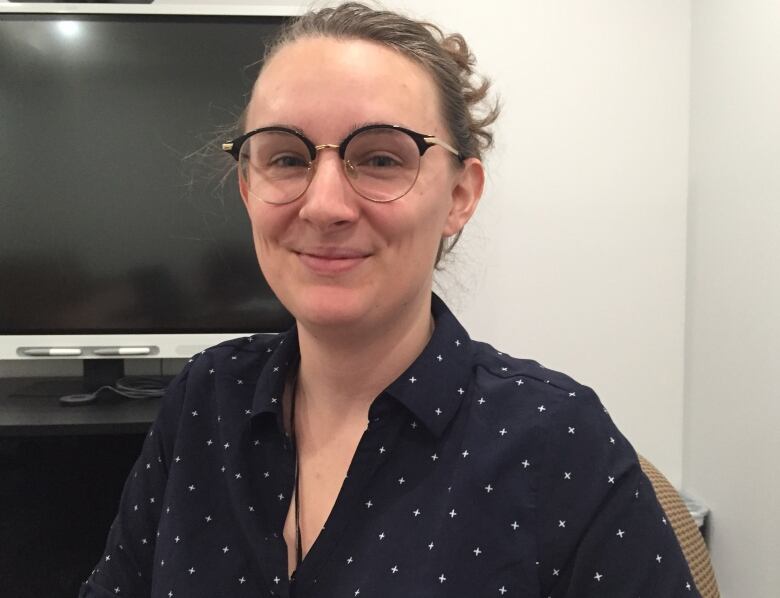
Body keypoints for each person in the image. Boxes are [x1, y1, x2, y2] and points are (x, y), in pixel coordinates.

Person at [80, 3, 702, 597]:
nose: (323, 206)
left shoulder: (560, 441)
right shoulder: (202, 399)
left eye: (380, 158)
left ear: (460, 194)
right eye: (287, 158)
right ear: (248, 187)